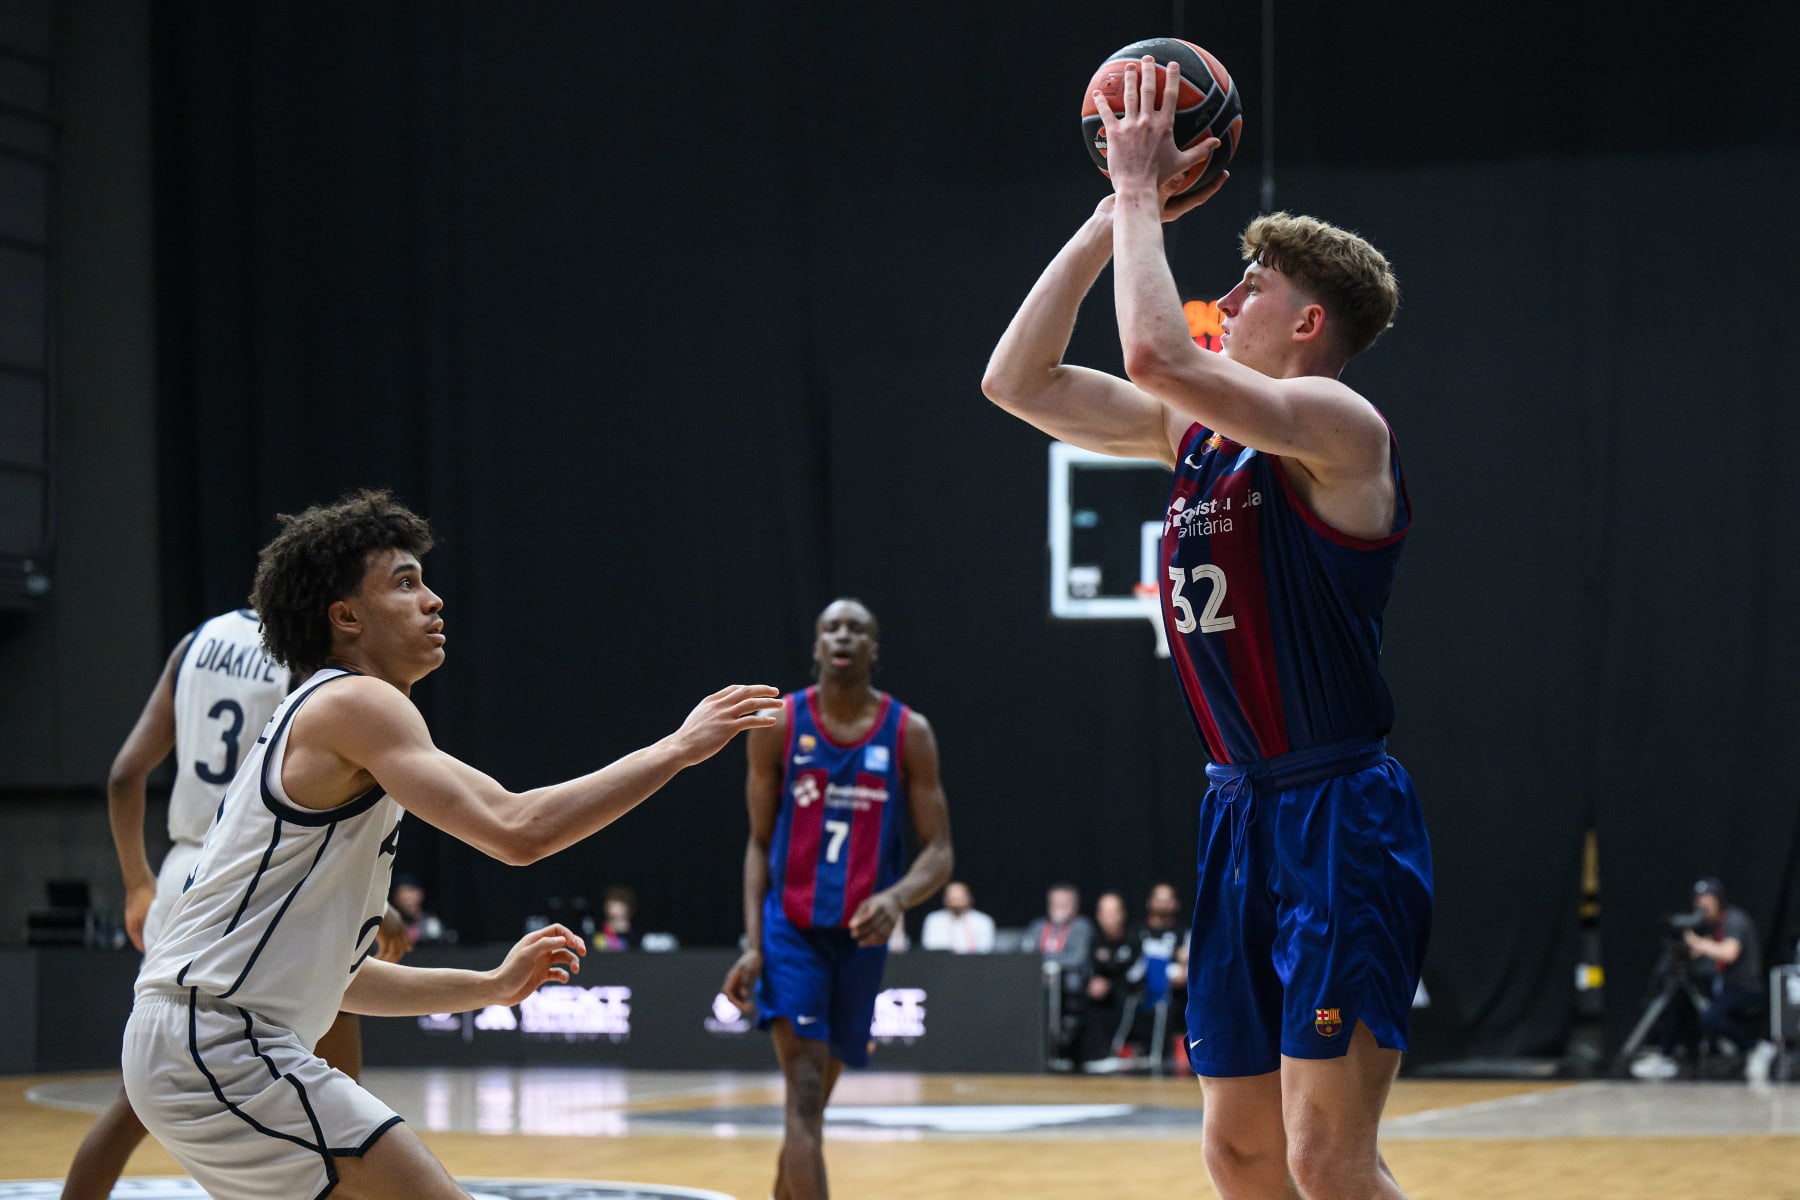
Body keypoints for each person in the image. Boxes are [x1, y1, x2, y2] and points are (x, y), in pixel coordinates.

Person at [983, 58, 1432, 1199]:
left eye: (1252, 291)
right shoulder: (1197, 436)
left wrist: (1142, 194)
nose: (1225, 301)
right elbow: (1017, 380)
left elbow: (1155, 353)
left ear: (1309, 322)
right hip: (1238, 808)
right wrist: (1105, 219)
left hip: (1338, 814)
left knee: (1327, 1160)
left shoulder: (1339, 425)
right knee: (1239, 1153)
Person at [121, 489, 779, 1200]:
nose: (433, 600)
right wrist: (677, 749)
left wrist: (491, 987)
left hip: (200, 1042)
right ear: (345, 617)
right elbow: (518, 830)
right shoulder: (357, 703)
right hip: (219, 1042)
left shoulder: (330, 716)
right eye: (405, 583)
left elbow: (339, 976)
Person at [61, 609, 407, 1200]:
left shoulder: (193, 645)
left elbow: (124, 775)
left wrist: (139, 883)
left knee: (140, 1094)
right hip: (257, 869)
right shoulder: (316, 663)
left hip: (182, 875)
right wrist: (377, 904)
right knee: (332, 1079)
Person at [721, 597, 954, 1200]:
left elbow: (939, 852)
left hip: (860, 938)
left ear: (874, 650)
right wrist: (752, 945)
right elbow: (758, 843)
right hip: (790, 929)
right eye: (831, 628)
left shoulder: (910, 731)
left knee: (812, 1108)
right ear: (817, 647)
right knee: (800, 1093)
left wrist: (898, 898)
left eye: (857, 629)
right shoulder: (778, 724)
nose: (843, 636)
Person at [1632, 877, 1778, 1082]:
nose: (1702, 903)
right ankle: (1666, 1056)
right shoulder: (1712, 926)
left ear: (1718, 899)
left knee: (1710, 1016)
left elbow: (1729, 953)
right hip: (1722, 986)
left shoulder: (1734, 920)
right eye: (1698, 898)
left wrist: (1696, 941)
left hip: (1745, 988)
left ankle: (1756, 1048)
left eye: (1707, 898)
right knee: (1680, 998)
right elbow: (1699, 952)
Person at [1023, 883, 1096, 1066]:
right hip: (1037, 982)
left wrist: (1049, 961)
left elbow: (1078, 958)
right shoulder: (1038, 926)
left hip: (1067, 983)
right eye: (1054, 903)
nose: (1058, 908)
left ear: (1074, 906)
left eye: (1064, 903)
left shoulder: (1081, 926)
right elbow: (1026, 953)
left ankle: (1061, 1050)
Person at [1080, 891, 1141, 1066]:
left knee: (1121, 998)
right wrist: (1094, 982)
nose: (1109, 917)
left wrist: (1111, 984)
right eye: (1105, 912)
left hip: (1128, 990)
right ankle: (1092, 1054)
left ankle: (1112, 1051)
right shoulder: (1095, 939)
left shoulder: (1133, 938)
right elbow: (1090, 967)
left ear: (1123, 914)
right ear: (1098, 916)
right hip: (1101, 992)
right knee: (1089, 997)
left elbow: (1135, 973)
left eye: (1113, 912)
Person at [920, 880, 996, 953]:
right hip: (942, 963)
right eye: (953, 898)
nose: (956, 902)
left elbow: (986, 950)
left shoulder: (983, 921)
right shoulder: (934, 920)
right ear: (945, 899)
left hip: (975, 963)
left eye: (960, 898)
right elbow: (930, 948)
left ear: (969, 898)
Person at [390, 873, 454, 945]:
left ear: (420, 894)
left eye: (411, 897)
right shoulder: (388, 926)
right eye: (403, 899)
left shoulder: (432, 925)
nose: (408, 903)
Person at [596, 884, 638, 951]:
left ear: (626, 907)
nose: (610, 904)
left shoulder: (635, 936)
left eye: (616, 901)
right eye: (609, 900)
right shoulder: (599, 933)